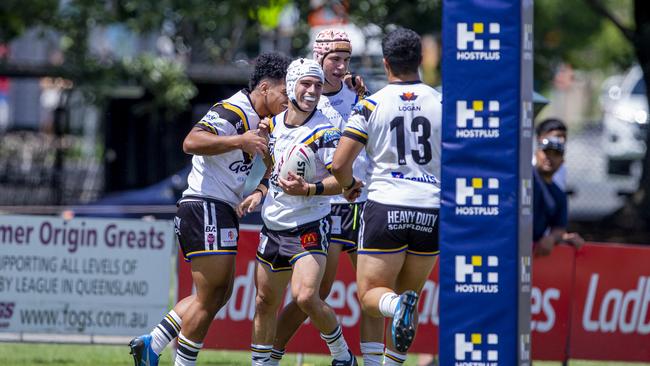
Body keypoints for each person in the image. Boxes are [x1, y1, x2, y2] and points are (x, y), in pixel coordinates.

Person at [128, 52, 291, 366]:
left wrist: (259, 189)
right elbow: (191, 142)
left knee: (219, 294)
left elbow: (272, 166)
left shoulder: (267, 122)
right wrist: (239, 140)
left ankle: (153, 343)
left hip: (222, 208)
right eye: (285, 93)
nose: (288, 100)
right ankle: (181, 362)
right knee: (211, 293)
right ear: (266, 88)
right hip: (204, 205)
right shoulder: (232, 110)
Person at [268, 29, 384, 366]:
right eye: (335, 59)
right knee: (314, 294)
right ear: (319, 58)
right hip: (327, 206)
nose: (341, 67)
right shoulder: (306, 99)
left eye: (346, 60)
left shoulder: (359, 93)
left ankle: (373, 363)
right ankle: (271, 353)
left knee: (371, 290)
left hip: (363, 202)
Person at [332, 27, 441, 365]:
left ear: (385, 62)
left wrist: (349, 185)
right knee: (411, 296)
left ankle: (396, 307)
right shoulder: (444, 102)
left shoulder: (371, 105)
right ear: (420, 60)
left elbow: (339, 163)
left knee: (372, 297)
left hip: (386, 206)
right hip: (431, 208)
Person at [238, 57, 357, 366]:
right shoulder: (273, 125)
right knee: (265, 302)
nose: (313, 90)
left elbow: (341, 182)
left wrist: (309, 189)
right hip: (273, 226)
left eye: (318, 85)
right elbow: (274, 168)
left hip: (309, 225)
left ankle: (342, 356)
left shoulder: (326, 132)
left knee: (305, 296)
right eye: (306, 83)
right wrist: (262, 191)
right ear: (291, 85)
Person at [533, 119, 584, 256]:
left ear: (562, 161)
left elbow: (559, 227)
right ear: (536, 153)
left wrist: (552, 238)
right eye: (546, 152)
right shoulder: (523, 179)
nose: (549, 158)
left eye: (556, 154)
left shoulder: (559, 195)